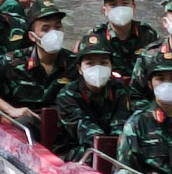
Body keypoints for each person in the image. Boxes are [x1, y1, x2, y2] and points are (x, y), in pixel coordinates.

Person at [0, 0, 75, 122]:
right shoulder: (14, 61)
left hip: (64, 127)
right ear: (32, 36)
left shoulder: (75, 64)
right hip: (25, 126)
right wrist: (10, 109)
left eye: (57, 27)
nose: (54, 33)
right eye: (45, 29)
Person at [55, 32, 130, 161]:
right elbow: (84, 130)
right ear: (80, 69)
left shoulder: (119, 90)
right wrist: (107, 146)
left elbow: (121, 123)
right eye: (90, 64)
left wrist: (117, 145)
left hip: (113, 148)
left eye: (103, 63)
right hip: (75, 151)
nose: (98, 69)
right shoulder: (67, 95)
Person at [84, 0, 158, 81]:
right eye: (113, 5)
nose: (120, 9)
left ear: (133, 6)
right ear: (104, 10)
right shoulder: (96, 36)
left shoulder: (148, 34)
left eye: (124, 3)